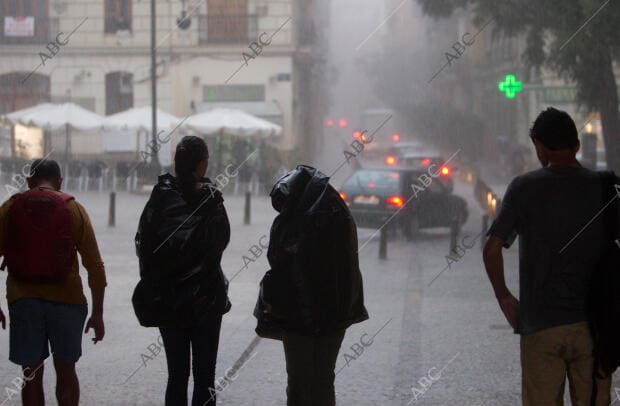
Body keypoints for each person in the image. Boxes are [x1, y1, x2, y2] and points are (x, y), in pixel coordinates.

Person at [483, 107, 614, 406]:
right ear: (577, 145)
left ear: (539, 148)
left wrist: (504, 296)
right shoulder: (605, 188)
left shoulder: (524, 188)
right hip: (595, 327)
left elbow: (492, 249)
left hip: (541, 325)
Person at [254, 165, 369, 406]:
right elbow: (347, 265)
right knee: (323, 379)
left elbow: (279, 263)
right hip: (336, 310)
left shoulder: (293, 223)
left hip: (298, 315)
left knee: (299, 380)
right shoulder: (338, 212)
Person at [133, 136, 231, 406]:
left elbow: (144, 244)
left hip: (169, 301)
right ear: (202, 164)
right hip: (206, 301)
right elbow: (220, 241)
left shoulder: (161, 198)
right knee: (205, 378)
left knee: (176, 375)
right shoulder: (210, 200)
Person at [0, 158, 106, 406]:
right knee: (66, 373)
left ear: (29, 182)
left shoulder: (11, 207)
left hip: (23, 301)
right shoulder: (74, 209)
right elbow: (95, 266)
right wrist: (98, 313)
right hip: (67, 302)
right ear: (60, 182)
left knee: (31, 376)